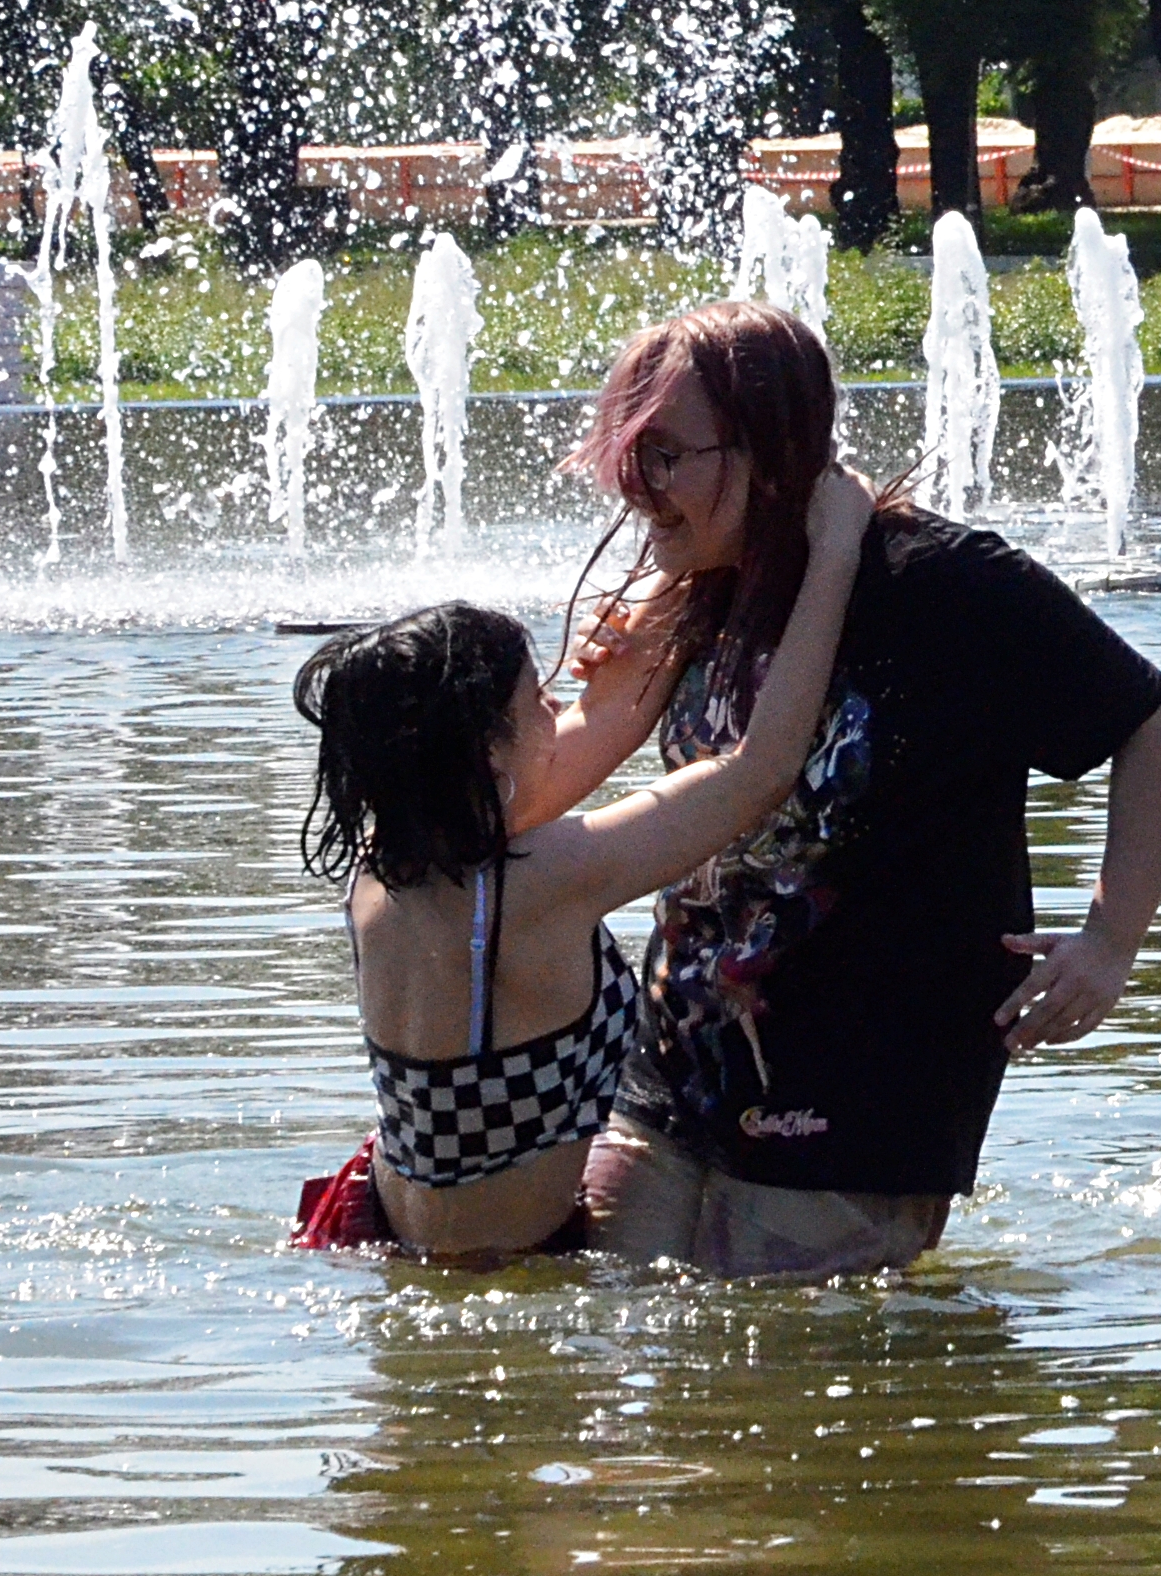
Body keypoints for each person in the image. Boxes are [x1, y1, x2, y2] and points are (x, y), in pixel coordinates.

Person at [575, 298, 1161, 1278]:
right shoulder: (703, 581)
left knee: (772, 1379)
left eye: (664, 456)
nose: (632, 486)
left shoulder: (945, 586)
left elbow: (1157, 727)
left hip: (867, 1094)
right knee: (597, 1332)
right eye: (626, 452)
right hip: (673, 1078)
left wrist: (1109, 941)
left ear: (769, 452)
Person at [289, 452, 875, 1262]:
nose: (557, 707)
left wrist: (679, 569)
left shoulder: (387, 861)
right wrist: (835, 553)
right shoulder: (544, 882)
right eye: (536, 700)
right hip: (505, 1277)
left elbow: (592, 729)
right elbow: (760, 769)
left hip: (390, 1243)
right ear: (487, 756)